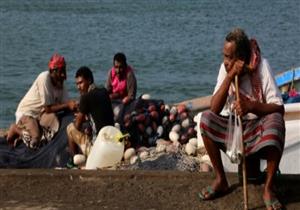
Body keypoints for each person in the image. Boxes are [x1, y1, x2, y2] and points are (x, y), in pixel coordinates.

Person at [198, 28, 285, 210]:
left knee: (276, 121)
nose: (225, 62)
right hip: (235, 130)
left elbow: (278, 107)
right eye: (224, 56)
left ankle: (268, 188)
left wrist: (252, 106)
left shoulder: (262, 66)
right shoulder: (225, 69)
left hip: (258, 130)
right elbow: (214, 109)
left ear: (242, 59)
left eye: (230, 57)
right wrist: (230, 76)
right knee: (205, 119)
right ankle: (221, 179)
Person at [6, 53, 77, 149]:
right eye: (61, 72)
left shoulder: (61, 85)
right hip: (27, 113)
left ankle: (22, 135)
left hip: (40, 116)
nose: (64, 75)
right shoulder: (44, 78)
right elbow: (48, 108)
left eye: (64, 71)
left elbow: (66, 105)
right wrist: (68, 105)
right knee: (35, 140)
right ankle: (15, 129)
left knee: (49, 132)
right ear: (53, 71)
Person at [66, 66, 114, 167]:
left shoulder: (85, 97)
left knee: (70, 128)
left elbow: (77, 126)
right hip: (112, 144)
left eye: (81, 83)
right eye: (77, 84)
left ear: (89, 80)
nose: (78, 87)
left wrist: (80, 117)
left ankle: (74, 162)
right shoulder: (104, 92)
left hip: (98, 149)